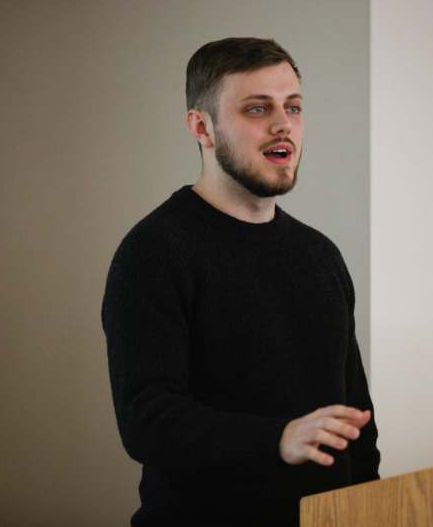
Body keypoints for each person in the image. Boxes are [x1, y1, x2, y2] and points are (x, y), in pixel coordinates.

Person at [102, 37, 380, 527]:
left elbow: (355, 419)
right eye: (257, 108)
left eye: (293, 107)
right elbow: (147, 420)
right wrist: (277, 439)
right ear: (201, 127)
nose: (282, 124)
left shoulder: (320, 255)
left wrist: (371, 509)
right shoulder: (153, 251)